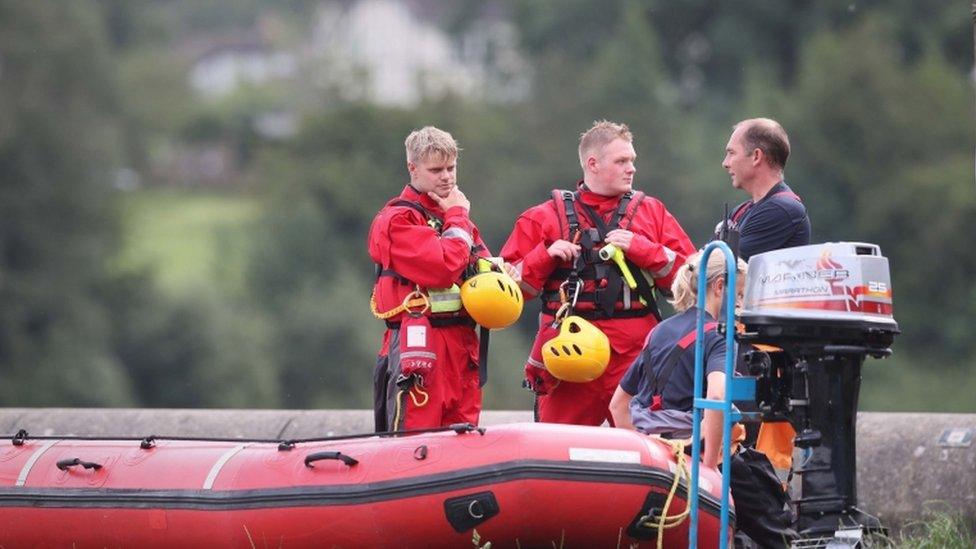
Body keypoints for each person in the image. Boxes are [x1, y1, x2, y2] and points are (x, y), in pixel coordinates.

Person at [500, 120, 696, 426]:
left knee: (647, 451)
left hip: (633, 355)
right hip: (569, 353)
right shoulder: (543, 218)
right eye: (621, 161)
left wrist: (645, 250)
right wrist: (544, 255)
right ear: (592, 163)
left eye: (632, 160)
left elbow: (691, 284)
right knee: (557, 453)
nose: (631, 169)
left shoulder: (652, 213)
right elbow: (507, 293)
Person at [609, 250, 797, 547]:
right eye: (740, 294)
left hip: (658, 454)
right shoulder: (718, 336)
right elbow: (718, 395)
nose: (740, 305)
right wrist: (708, 469)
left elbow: (618, 405)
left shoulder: (658, 332)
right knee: (781, 534)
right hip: (701, 455)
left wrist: (644, 454)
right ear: (720, 286)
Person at [368, 126, 491, 432]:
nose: (446, 177)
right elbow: (443, 267)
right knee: (414, 440)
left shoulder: (454, 217)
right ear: (413, 168)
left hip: (462, 346)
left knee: (464, 439)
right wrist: (459, 216)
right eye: (436, 170)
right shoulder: (398, 219)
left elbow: (486, 269)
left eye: (451, 168)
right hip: (419, 345)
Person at [716, 118, 810, 262]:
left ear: (756, 156)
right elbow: (704, 262)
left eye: (732, 153)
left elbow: (716, 268)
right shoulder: (740, 212)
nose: (725, 163)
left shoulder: (781, 210)